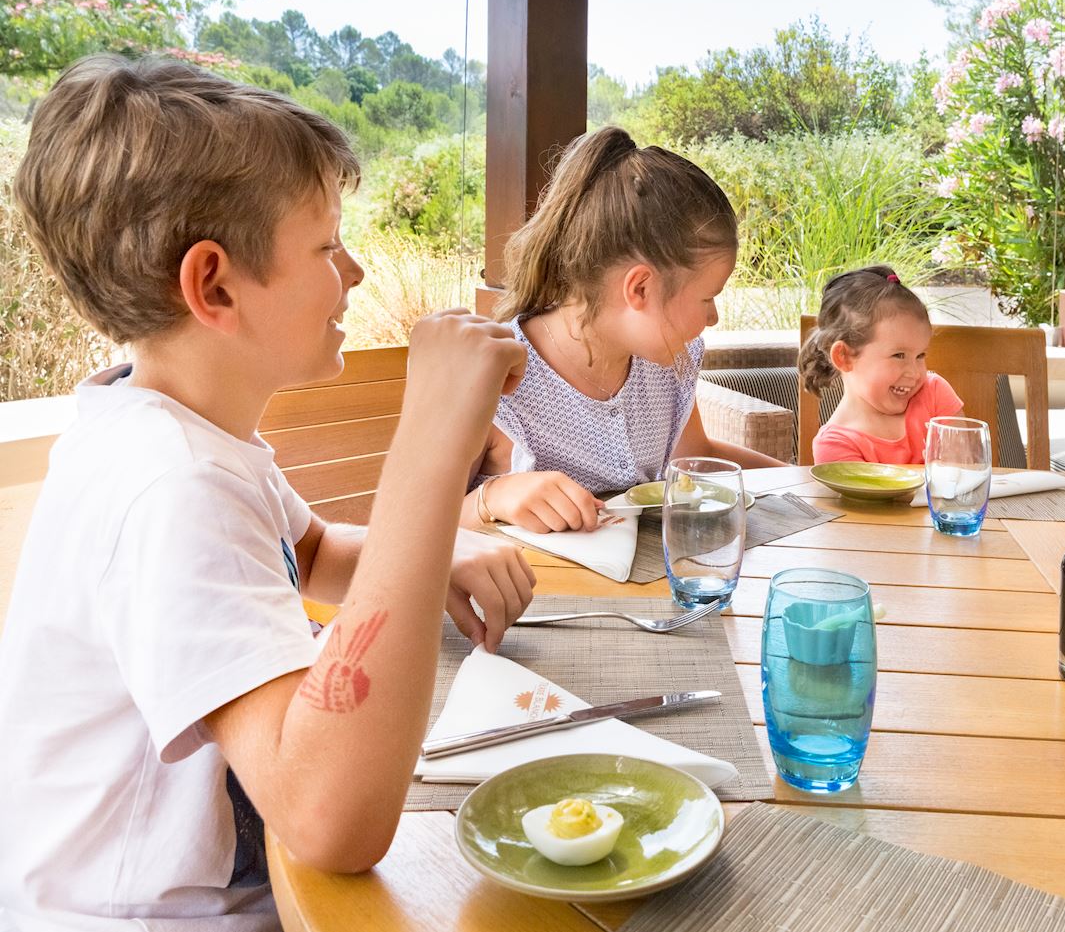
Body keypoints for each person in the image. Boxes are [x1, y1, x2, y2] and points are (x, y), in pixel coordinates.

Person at [0, 56, 533, 930]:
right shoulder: (174, 485)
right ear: (213, 284)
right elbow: (334, 821)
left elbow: (310, 553)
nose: (354, 271)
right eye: (327, 245)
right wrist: (429, 449)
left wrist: (435, 554)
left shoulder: (174, 425)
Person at [462, 125, 783, 536]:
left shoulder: (665, 367)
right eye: (707, 298)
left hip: (639, 597)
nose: (713, 317)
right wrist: (495, 498)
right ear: (641, 288)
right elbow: (422, 528)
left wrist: (807, 480)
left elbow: (694, 457)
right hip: (527, 598)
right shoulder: (496, 375)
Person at [800, 265, 963, 465]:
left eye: (920, 355)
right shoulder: (836, 444)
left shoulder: (935, 394)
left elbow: (964, 473)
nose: (914, 372)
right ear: (844, 357)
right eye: (899, 355)